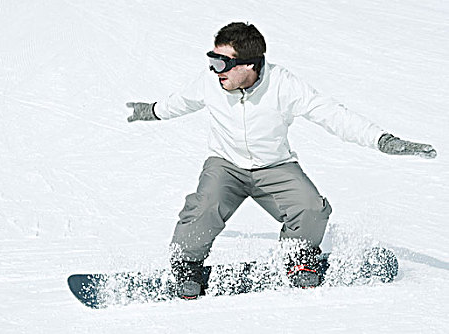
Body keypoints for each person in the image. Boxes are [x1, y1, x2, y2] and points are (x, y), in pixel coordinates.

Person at [126, 22, 437, 299]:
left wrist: (382, 140)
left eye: (221, 62)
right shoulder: (211, 83)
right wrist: (150, 110)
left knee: (311, 207)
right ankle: (186, 266)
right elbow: (181, 102)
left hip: (275, 167)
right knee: (204, 207)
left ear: (248, 64)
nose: (214, 69)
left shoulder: (283, 84)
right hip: (226, 165)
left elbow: (331, 113)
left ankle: (298, 257)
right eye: (211, 59)